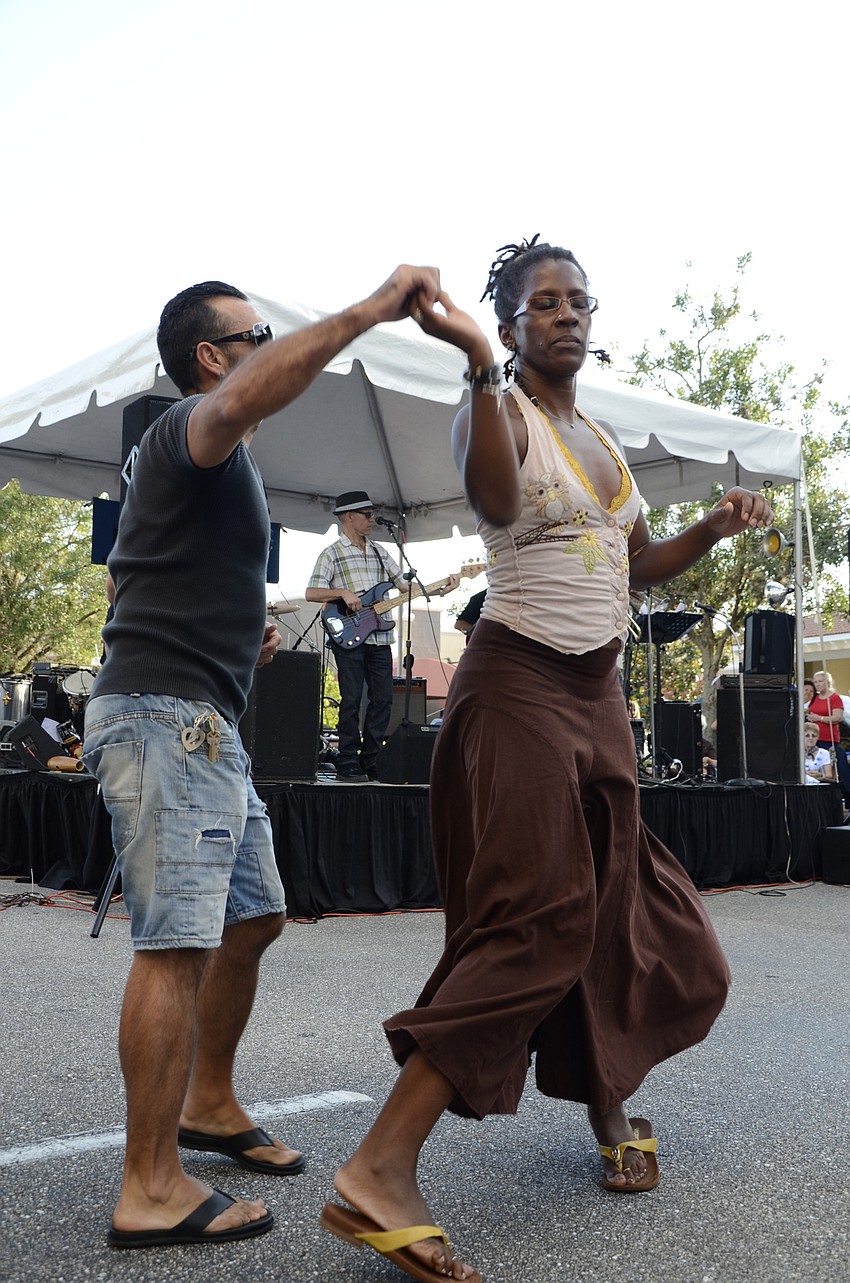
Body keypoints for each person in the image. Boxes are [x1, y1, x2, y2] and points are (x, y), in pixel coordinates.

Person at [320, 237, 775, 1283]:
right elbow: (489, 503)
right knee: (537, 913)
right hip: (519, 681)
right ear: (513, 321)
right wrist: (477, 362)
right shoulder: (498, 409)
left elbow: (632, 561)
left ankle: (606, 1097)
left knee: (614, 900)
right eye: (543, 304)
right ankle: (380, 1166)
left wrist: (709, 523)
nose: (566, 315)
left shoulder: (603, 442)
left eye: (578, 300)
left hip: (596, 694)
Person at [82, 264, 443, 1249]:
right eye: (252, 338)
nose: (265, 349)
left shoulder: (211, 462)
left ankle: (207, 1100)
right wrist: (369, 311)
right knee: (177, 940)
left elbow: (138, 583)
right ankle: (149, 1184)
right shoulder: (188, 425)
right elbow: (245, 394)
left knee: (254, 915)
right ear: (212, 357)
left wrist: (244, 633)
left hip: (203, 716)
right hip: (168, 719)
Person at [305, 492, 407, 782]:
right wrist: (342, 593)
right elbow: (311, 593)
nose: (372, 519)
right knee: (350, 699)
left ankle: (370, 759)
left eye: (372, 514)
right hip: (348, 635)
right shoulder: (332, 553)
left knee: (384, 700)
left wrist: (438, 587)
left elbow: (403, 588)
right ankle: (347, 760)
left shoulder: (379, 552)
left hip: (380, 639)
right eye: (367, 514)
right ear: (349, 517)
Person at [806, 669, 850, 800]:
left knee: (840, 767)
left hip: (829, 739)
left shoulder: (834, 698)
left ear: (827, 682)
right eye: (816, 682)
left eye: (820, 681)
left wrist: (819, 718)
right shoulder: (815, 698)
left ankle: (847, 796)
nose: (817, 684)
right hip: (814, 740)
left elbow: (838, 717)